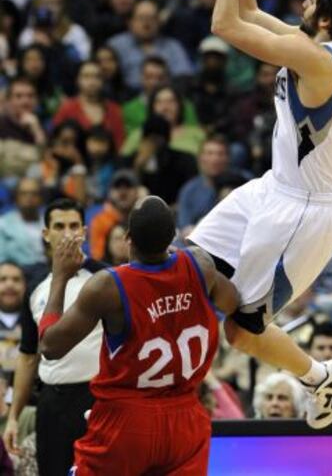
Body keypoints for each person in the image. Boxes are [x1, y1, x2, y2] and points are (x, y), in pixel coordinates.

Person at [189, 0, 332, 428]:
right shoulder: (320, 46)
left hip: (302, 214)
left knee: (242, 331)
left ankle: (321, 376)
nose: (303, 2)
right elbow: (246, 11)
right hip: (271, 189)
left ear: (322, 16)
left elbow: (224, 24)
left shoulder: (316, 60)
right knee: (191, 265)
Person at [39, 196, 239, 475]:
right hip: (185, 417)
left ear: (128, 238)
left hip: (126, 421)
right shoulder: (200, 265)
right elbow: (232, 303)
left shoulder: (108, 286)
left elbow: (50, 346)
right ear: (172, 237)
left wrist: (60, 277)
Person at [3, 198, 104, 476]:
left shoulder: (106, 277)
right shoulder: (35, 288)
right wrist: (13, 416)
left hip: (99, 400)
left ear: (84, 231)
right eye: (59, 226)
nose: (68, 233)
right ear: (46, 234)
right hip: (52, 403)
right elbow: (27, 356)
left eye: (74, 226)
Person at [53, 61, 125, 150]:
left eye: (97, 77)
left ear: (103, 81)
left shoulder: (114, 109)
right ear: (77, 80)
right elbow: (55, 141)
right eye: (86, 76)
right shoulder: (67, 108)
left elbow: (120, 144)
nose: (92, 82)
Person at [0, 178, 45, 268]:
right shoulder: (3, 224)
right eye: (24, 193)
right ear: (16, 198)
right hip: (19, 273)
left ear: (41, 198)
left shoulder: (49, 223)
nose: (29, 197)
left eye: (34, 194)